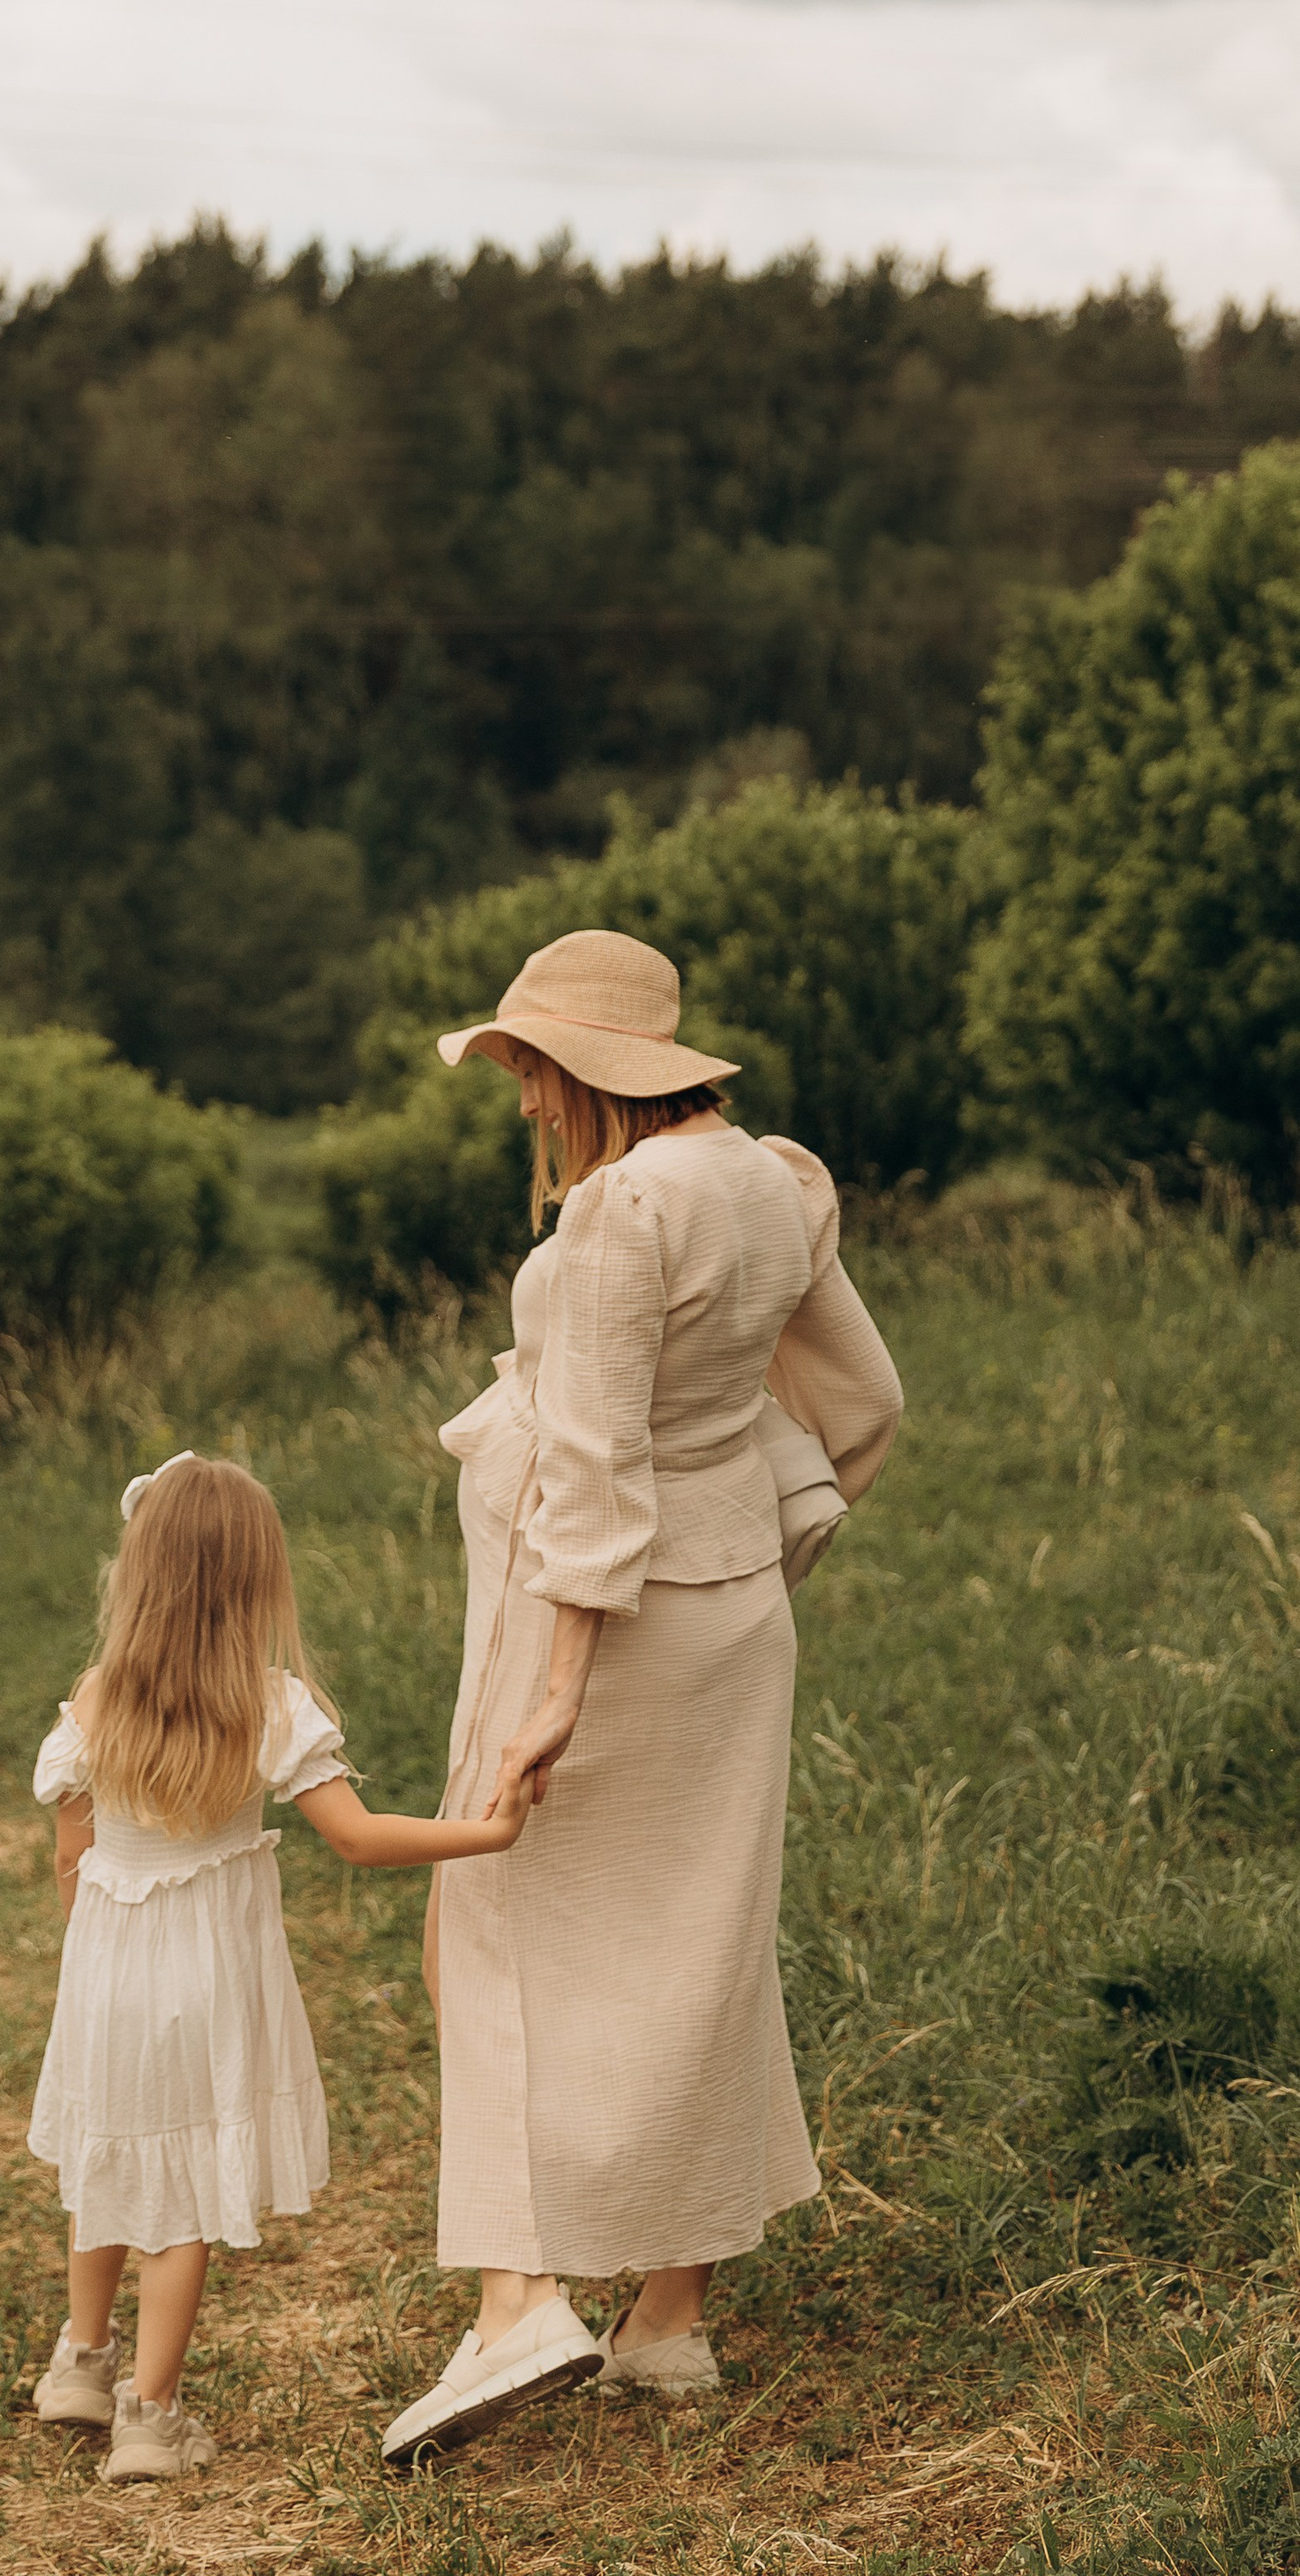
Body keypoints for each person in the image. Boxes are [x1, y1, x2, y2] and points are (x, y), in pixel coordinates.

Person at [382, 930, 903, 2468]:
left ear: (585, 1069)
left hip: (592, 1623)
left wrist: (558, 1687)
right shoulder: (775, 1180)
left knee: (481, 1922)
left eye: (530, 1069)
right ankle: (668, 2320)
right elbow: (866, 1400)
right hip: (730, 1613)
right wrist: (759, 1544)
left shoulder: (619, 1213)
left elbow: (600, 1473)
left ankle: (517, 2303)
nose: (526, 1102)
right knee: (705, 1940)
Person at [28, 1450, 537, 2481]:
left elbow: (69, 1858)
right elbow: (355, 1838)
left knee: (110, 2155)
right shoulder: (268, 1706)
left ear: (136, 1570)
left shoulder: (92, 1699)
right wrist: (488, 1834)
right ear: (257, 1580)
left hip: (105, 1970)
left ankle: (79, 2361)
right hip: (205, 1978)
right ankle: (150, 2417)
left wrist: (89, 1964)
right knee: (184, 2201)